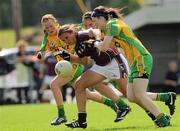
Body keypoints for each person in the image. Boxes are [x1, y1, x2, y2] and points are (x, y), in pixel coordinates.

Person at [73, 6, 175, 127]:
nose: (94, 25)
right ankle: (167, 97)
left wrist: (94, 43)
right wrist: (94, 42)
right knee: (131, 96)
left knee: (140, 94)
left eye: (95, 21)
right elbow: (105, 45)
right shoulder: (109, 26)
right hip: (135, 61)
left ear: (101, 18)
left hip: (141, 58)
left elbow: (104, 47)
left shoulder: (111, 25)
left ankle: (163, 120)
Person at [37, 14, 128, 126]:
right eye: (46, 28)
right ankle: (114, 105)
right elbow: (42, 51)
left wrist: (95, 32)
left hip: (74, 66)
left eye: (51, 26)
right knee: (85, 93)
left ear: (56, 23)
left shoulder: (63, 31)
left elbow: (83, 32)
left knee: (54, 85)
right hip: (68, 67)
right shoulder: (48, 38)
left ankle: (62, 116)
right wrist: (40, 54)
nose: (49, 29)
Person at [58, 24, 132, 129]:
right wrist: (69, 58)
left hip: (115, 62)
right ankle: (81, 121)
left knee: (130, 95)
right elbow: (84, 62)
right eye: (64, 40)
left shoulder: (82, 35)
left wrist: (97, 40)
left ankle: (159, 105)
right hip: (101, 66)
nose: (67, 41)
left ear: (72, 32)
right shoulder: (77, 47)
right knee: (79, 85)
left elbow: (96, 31)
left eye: (66, 37)